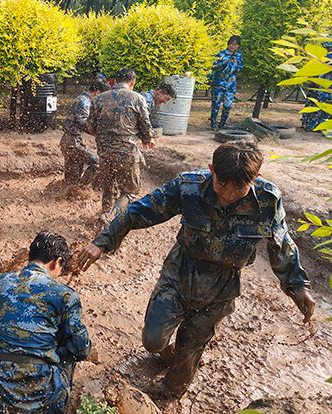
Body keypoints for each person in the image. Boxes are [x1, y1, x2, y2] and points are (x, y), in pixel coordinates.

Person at [76, 142, 316, 399]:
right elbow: (139, 211)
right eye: (222, 185)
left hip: (221, 288)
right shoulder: (188, 187)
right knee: (153, 340)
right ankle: (168, 355)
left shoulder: (267, 200)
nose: (228, 195)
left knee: (190, 345)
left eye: (239, 188)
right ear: (212, 170)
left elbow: (281, 244)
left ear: (254, 178)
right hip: (180, 273)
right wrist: (102, 241)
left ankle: (171, 392)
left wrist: (298, 286)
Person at [0, 231, 91, 414]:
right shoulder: (64, 294)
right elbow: (81, 348)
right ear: (56, 261)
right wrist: (54, 353)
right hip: (42, 395)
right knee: (69, 355)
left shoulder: (2, 282)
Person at [88, 68, 155, 223]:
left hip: (104, 152)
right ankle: (110, 217)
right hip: (127, 152)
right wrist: (147, 139)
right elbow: (145, 124)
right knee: (130, 192)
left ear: (115, 81)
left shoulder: (99, 98)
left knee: (108, 187)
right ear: (132, 82)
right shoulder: (138, 98)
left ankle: (104, 217)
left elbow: (90, 126)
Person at [60, 80, 106, 186]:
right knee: (97, 162)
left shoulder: (82, 99)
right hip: (72, 142)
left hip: (70, 140)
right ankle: (82, 189)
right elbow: (85, 124)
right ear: (97, 93)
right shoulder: (84, 102)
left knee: (72, 179)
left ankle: (70, 194)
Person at [210, 35, 243, 129]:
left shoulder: (238, 56)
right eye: (231, 44)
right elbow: (214, 66)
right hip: (219, 83)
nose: (233, 46)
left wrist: (236, 65)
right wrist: (224, 63)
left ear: (238, 46)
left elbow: (239, 69)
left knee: (227, 106)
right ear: (228, 44)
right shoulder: (221, 54)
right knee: (216, 104)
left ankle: (222, 124)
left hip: (230, 85)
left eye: (235, 45)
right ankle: (213, 124)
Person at [301, 41, 332, 132]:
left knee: (318, 106)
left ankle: (312, 125)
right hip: (323, 88)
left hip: (322, 88)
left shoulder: (324, 58)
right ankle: (319, 126)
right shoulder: (324, 58)